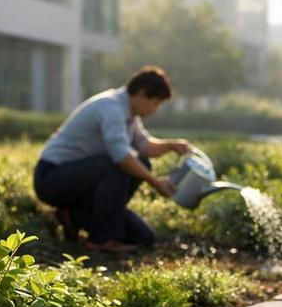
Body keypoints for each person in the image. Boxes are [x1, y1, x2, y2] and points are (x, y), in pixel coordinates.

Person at [33, 66, 192, 253]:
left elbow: (145, 146)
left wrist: (171, 145)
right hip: (52, 178)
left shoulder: (130, 113)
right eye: (156, 103)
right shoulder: (111, 107)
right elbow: (121, 156)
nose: (155, 110)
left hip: (78, 182)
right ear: (141, 94)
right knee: (119, 165)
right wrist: (155, 182)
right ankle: (101, 240)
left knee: (144, 237)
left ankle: (73, 215)